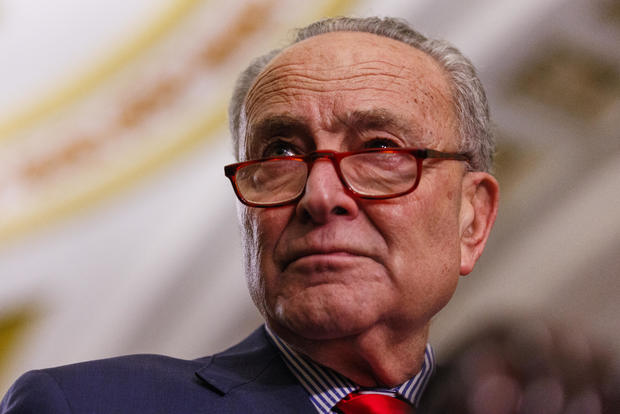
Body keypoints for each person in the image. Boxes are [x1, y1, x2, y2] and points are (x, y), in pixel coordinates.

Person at [1, 16, 499, 413]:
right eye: (280, 154)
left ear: (471, 220)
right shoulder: (89, 406)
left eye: (380, 147)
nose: (321, 197)